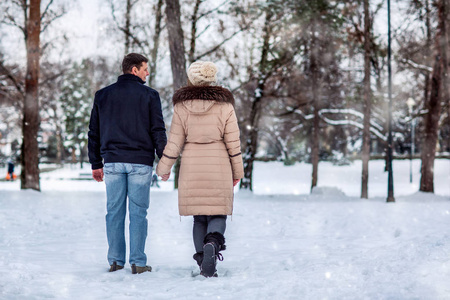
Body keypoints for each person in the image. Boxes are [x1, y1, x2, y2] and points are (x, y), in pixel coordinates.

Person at [156, 61, 244, 277]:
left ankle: (203, 260)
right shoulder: (225, 106)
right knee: (218, 213)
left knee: (199, 218)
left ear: (192, 79)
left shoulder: (181, 106)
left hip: (192, 166)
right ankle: (212, 244)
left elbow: (175, 141)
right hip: (219, 164)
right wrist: (238, 172)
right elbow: (234, 142)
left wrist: (164, 168)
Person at [88, 53, 167, 274]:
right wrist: (165, 160)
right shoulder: (150, 96)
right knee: (138, 213)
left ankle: (115, 260)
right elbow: (157, 130)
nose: (147, 73)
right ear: (134, 70)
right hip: (140, 163)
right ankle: (138, 263)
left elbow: (94, 132)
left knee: (114, 212)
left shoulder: (103, 95)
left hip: (112, 162)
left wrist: (96, 163)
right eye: (144, 69)